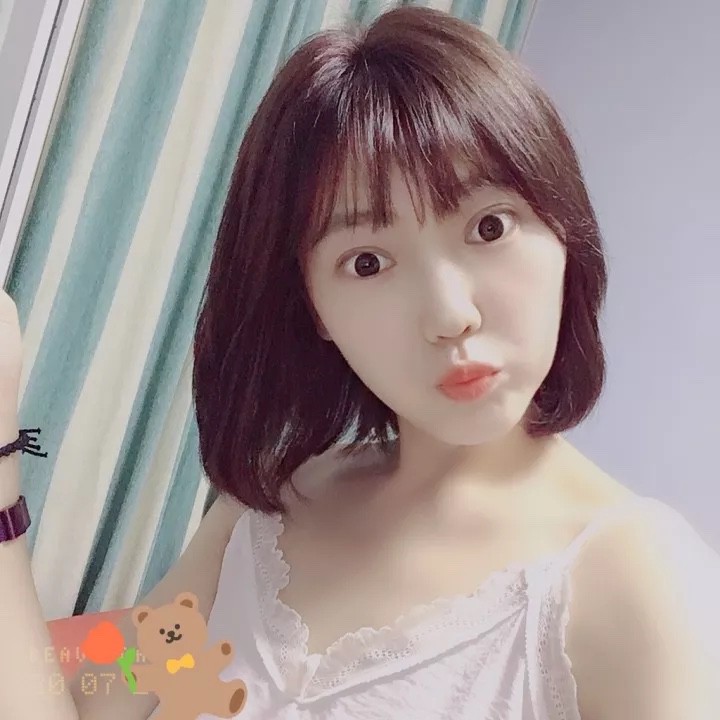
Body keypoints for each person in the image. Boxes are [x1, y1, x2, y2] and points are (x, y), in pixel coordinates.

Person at [0, 5, 718, 719]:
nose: (449, 315)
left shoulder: (637, 580)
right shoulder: (273, 509)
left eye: (489, 226)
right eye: (368, 262)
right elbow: (92, 708)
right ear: (313, 304)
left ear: (563, 230)